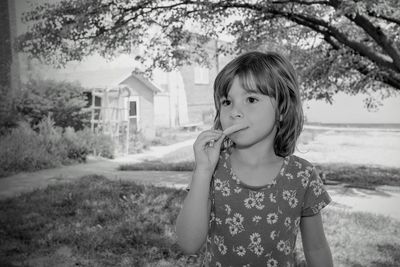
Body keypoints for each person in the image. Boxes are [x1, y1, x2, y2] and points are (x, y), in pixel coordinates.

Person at [176, 51, 333, 266]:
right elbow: (188, 244)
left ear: (282, 109)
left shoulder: (302, 176)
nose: (235, 112)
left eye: (251, 99)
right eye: (227, 101)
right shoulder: (212, 170)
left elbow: (316, 248)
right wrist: (203, 171)